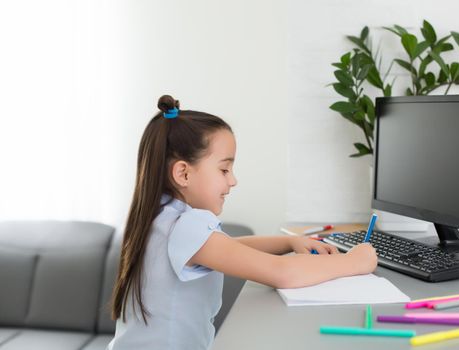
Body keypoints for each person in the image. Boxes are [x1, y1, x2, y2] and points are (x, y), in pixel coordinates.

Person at [107, 95, 378, 350]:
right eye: (224, 169)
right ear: (183, 173)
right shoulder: (186, 224)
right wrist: (355, 262)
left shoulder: (162, 216)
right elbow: (283, 274)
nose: (232, 180)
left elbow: (228, 248)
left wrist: (289, 241)